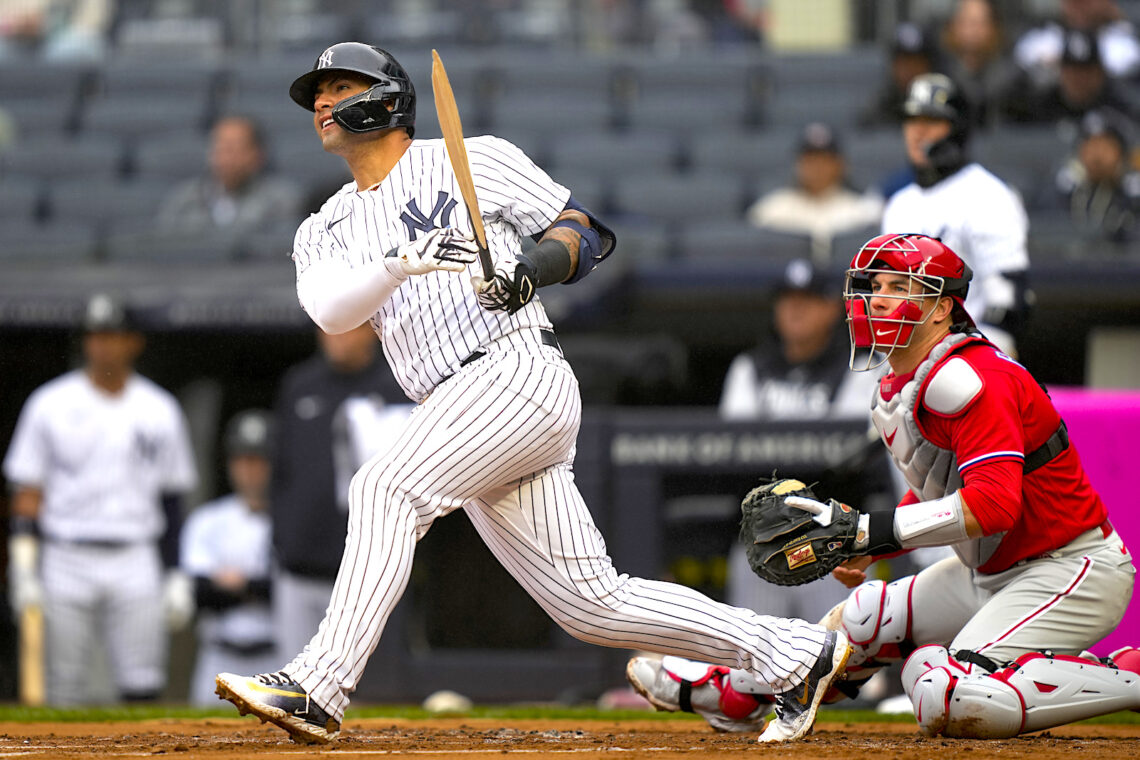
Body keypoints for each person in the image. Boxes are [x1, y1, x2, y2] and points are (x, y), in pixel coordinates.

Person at [212, 41, 850, 745]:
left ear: (385, 97)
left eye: (338, 87)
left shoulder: (473, 159)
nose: (323, 104)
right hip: (453, 404)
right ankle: (791, 653)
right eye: (316, 94)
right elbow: (331, 312)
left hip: (514, 372)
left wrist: (527, 270)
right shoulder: (323, 225)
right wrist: (397, 265)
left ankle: (321, 686)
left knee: (383, 489)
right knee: (590, 604)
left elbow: (584, 231)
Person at [628, 232, 1139, 739]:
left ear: (940, 309)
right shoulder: (903, 382)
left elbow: (994, 504)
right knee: (862, 618)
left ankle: (1129, 673)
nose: (877, 298)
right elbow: (939, 483)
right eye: (873, 285)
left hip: (1069, 567)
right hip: (990, 572)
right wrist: (872, 547)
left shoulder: (973, 377)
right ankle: (735, 692)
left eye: (899, 286)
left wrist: (870, 532)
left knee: (945, 692)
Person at [3, 293, 198, 704]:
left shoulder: (159, 408)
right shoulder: (50, 404)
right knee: (64, 685)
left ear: (133, 342)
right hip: (66, 555)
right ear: (84, 342)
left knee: (143, 680)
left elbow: (172, 501)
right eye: (95, 335)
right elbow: (27, 494)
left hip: (135, 555)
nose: (104, 345)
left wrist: (176, 571)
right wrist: (23, 568)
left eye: (113, 335)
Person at [720, 257, 884, 660]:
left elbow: (850, 453)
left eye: (808, 300)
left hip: (837, 536)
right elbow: (733, 451)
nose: (795, 309)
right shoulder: (750, 367)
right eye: (788, 299)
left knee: (845, 662)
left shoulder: (860, 366)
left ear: (833, 308)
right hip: (761, 539)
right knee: (753, 665)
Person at [270, 323, 412, 663]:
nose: (335, 337)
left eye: (347, 328)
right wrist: (282, 540)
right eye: (328, 328)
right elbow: (280, 471)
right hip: (301, 563)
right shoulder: (300, 385)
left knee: (371, 683)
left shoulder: (399, 385)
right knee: (296, 675)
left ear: (371, 332)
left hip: (372, 566)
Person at [881, 73, 1030, 356]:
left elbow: (1009, 301)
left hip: (970, 357)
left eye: (932, 121)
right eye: (912, 120)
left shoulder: (989, 194)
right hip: (906, 357)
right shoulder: (899, 204)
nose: (918, 132)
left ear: (957, 129)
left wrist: (967, 362)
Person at [180, 410, 276, 707]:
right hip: (219, 658)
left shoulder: (292, 522)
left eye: (258, 460)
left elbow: (286, 593)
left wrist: (238, 584)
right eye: (242, 459)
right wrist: (255, 587)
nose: (249, 469)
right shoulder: (207, 520)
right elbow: (201, 595)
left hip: (278, 658)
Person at [744, 124, 883, 258]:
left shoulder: (862, 211)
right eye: (810, 159)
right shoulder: (772, 209)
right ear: (798, 164)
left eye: (824, 160)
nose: (817, 167)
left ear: (840, 164)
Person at [157, 114, 303, 237]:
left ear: (257, 155)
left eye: (233, 149)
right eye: (219, 148)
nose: (225, 157)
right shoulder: (185, 201)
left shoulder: (282, 202)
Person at [1002, 28, 1140, 128]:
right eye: (1072, 72)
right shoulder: (1039, 108)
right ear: (1061, 72)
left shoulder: (1121, 110)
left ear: (1100, 73)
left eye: (1086, 72)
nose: (1078, 80)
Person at [1048, 108, 1140, 242]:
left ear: (1121, 152)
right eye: (1090, 145)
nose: (1097, 155)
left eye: (1104, 145)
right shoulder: (1067, 193)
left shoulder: (1133, 196)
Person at [1013, 0, 1140, 83]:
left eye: (1086, 2)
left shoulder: (1124, 41)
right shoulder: (1041, 39)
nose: (1080, 8)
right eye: (1074, 2)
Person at [938, 0, 1017, 128]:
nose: (973, 31)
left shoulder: (1013, 82)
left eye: (980, 23)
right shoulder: (939, 79)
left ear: (994, 28)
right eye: (966, 22)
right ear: (952, 26)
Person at [858, 22, 940, 130]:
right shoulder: (878, 111)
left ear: (929, 66)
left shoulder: (947, 107)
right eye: (902, 63)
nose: (908, 71)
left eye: (915, 63)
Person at [0, 0, 111, 62]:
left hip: (59, 42)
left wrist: (46, 26)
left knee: (84, 45)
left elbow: (94, 19)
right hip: (13, 42)